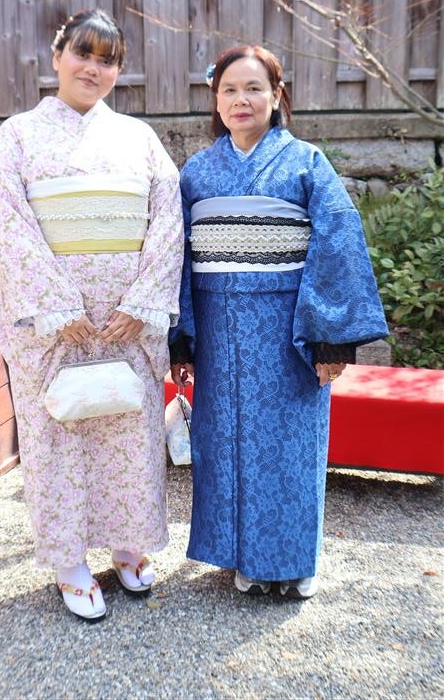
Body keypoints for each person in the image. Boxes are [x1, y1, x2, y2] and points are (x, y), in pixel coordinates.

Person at [0, 9, 184, 622]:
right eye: (82, 54)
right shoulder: (18, 135)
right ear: (57, 55)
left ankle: (128, 545)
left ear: (118, 71)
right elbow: (7, 224)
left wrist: (141, 305)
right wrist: (55, 305)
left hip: (125, 323)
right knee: (58, 436)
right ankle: (69, 560)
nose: (93, 68)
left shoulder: (138, 138)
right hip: (53, 326)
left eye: (107, 60)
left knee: (131, 432)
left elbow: (167, 222)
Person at [170, 45, 388, 600]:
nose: (241, 100)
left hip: (287, 330)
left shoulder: (305, 162)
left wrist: (329, 338)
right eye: (229, 90)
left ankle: (293, 561)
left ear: (276, 95)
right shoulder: (197, 172)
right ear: (216, 100)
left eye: (253, 88)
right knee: (224, 443)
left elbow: (337, 239)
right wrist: (182, 337)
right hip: (218, 330)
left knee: (290, 447)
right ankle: (243, 558)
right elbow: (178, 257)